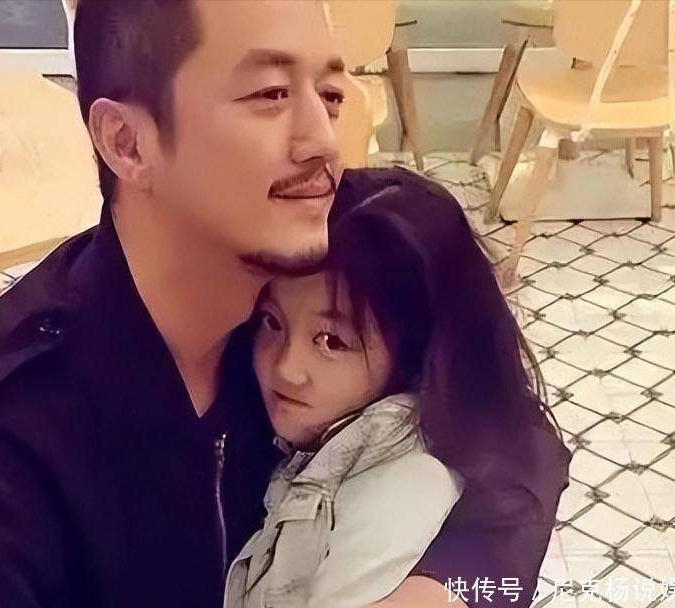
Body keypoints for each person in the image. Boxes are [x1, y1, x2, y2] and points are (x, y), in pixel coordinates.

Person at [0, 2, 570, 607]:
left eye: (329, 94)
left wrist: (450, 587)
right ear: (127, 143)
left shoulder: (314, 279)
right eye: (270, 95)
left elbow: (518, 438)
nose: (323, 139)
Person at [224, 168, 567, 607]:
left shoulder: (420, 478)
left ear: (420, 349)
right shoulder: (218, 357)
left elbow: (525, 460)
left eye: (332, 342)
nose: (286, 368)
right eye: (271, 321)